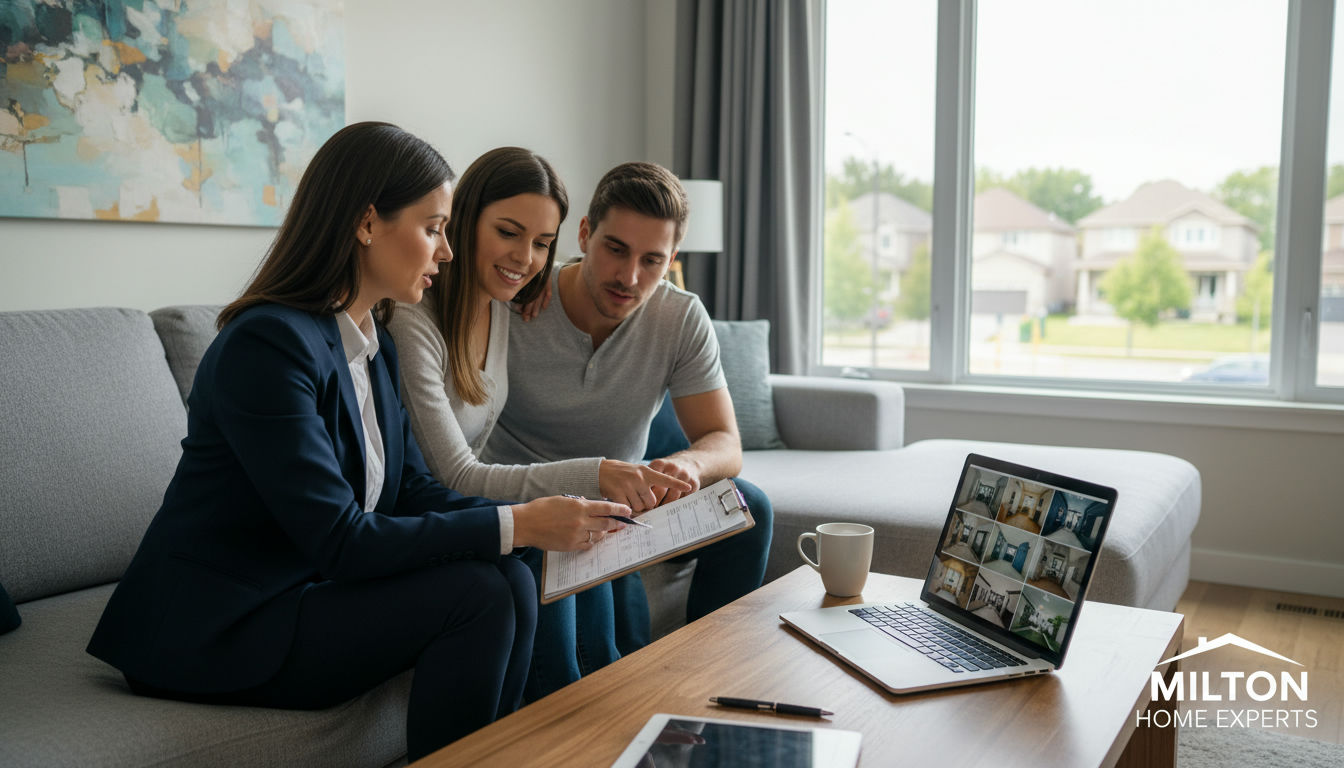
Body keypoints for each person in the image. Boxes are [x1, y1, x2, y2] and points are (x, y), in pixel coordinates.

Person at [85, 123, 628, 762]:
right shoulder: (267, 346)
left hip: (301, 591)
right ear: (367, 222)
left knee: (510, 572)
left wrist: (536, 524)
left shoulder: (370, 341)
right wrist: (516, 521)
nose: (446, 252)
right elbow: (340, 540)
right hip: (220, 628)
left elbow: (408, 491)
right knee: (478, 591)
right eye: (433, 228)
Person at [385, 147, 692, 700]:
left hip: (473, 504)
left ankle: (624, 701)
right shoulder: (412, 318)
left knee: (587, 544)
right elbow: (453, 473)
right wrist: (593, 474)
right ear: (462, 222)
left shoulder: (503, 304)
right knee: (560, 535)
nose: (526, 258)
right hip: (432, 513)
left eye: (542, 244)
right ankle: (578, 712)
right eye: (509, 233)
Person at [481, 161, 775, 641]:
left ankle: (710, 663)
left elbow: (725, 442)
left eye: (652, 260)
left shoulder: (679, 317)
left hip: (622, 502)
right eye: (615, 249)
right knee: (623, 636)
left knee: (748, 507)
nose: (629, 277)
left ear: (672, 257)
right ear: (583, 234)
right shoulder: (519, 294)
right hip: (532, 500)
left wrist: (689, 467)